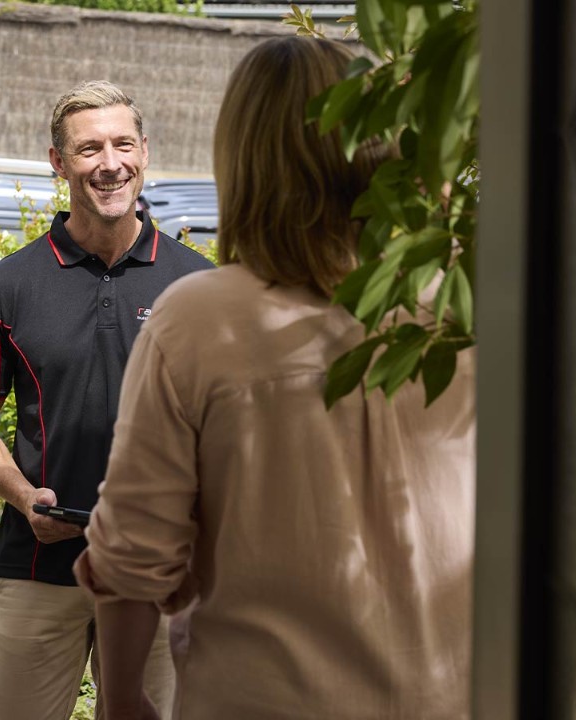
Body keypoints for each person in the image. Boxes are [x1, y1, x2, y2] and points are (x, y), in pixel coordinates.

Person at [74, 36, 477, 720]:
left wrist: (122, 698)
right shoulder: (459, 310)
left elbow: (134, 553)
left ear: (243, 160)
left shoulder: (199, 320)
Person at [0, 80, 214, 720]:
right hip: (39, 564)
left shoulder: (198, 286)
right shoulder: (9, 286)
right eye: (89, 148)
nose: (110, 163)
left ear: (145, 152)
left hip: (160, 569)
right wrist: (22, 496)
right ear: (58, 161)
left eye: (123, 144)